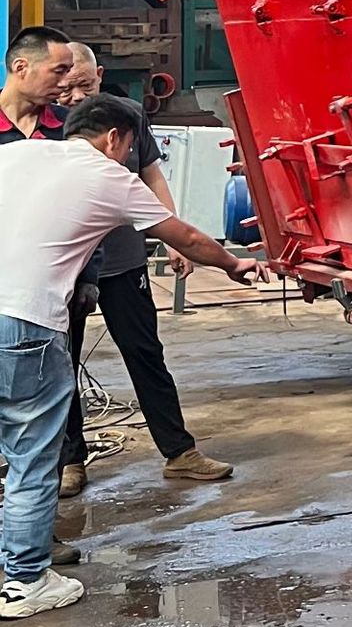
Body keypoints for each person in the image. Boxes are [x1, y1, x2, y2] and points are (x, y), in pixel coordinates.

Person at [0, 93, 266, 618]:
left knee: (11, 449)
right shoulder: (108, 175)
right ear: (114, 138)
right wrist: (233, 265)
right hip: (25, 321)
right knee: (33, 456)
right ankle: (25, 581)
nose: (128, 157)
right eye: (128, 148)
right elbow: (186, 236)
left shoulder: (16, 154)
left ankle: (21, 551)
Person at [58, 45, 234, 492]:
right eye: (66, 87)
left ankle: (179, 451)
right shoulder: (46, 124)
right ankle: (70, 461)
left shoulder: (128, 116)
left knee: (145, 354)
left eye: (85, 85)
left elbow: (151, 174)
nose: (76, 96)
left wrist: (170, 235)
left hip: (122, 261)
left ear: (100, 75)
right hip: (67, 268)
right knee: (62, 366)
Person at [0, 25, 75, 142]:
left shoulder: (70, 124)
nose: (65, 84)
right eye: (59, 71)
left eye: (67, 72)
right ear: (21, 68)